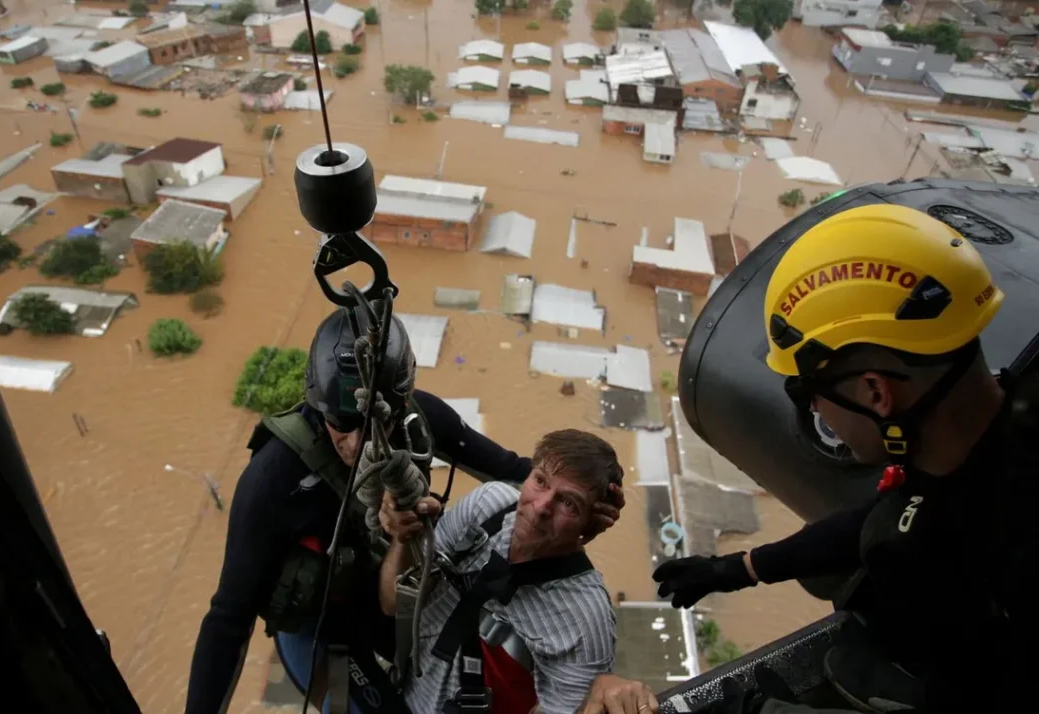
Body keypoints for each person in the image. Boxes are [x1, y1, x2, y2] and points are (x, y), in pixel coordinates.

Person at [652, 205, 1037, 712]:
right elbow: (890, 512)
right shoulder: (997, 433)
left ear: (875, 392)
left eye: (806, 391)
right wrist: (740, 568)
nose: (813, 410)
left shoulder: (966, 564)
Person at [185, 307, 625, 714]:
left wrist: (591, 501)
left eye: (377, 421)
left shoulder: (419, 421)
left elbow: (518, 474)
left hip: (392, 611)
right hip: (322, 629)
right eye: (342, 422)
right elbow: (228, 617)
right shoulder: (273, 479)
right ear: (317, 406)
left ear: (398, 403)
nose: (358, 443)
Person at [379, 430, 629, 714]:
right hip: (405, 692)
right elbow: (392, 603)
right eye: (540, 481)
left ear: (590, 526)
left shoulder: (584, 622)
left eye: (569, 503)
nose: (540, 508)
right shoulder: (486, 508)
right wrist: (405, 535)